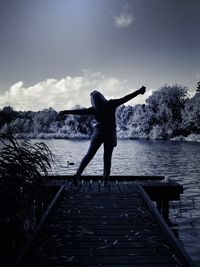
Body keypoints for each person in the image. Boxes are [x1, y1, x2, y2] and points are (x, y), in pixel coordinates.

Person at [59, 86, 146, 186]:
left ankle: (77, 175)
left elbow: (79, 112)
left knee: (89, 155)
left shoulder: (93, 109)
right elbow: (126, 98)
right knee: (107, 157)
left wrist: (65, 112)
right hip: (110, 133)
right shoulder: (111, 103)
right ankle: (105, 181)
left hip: (98, 132)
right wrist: (139, 91)